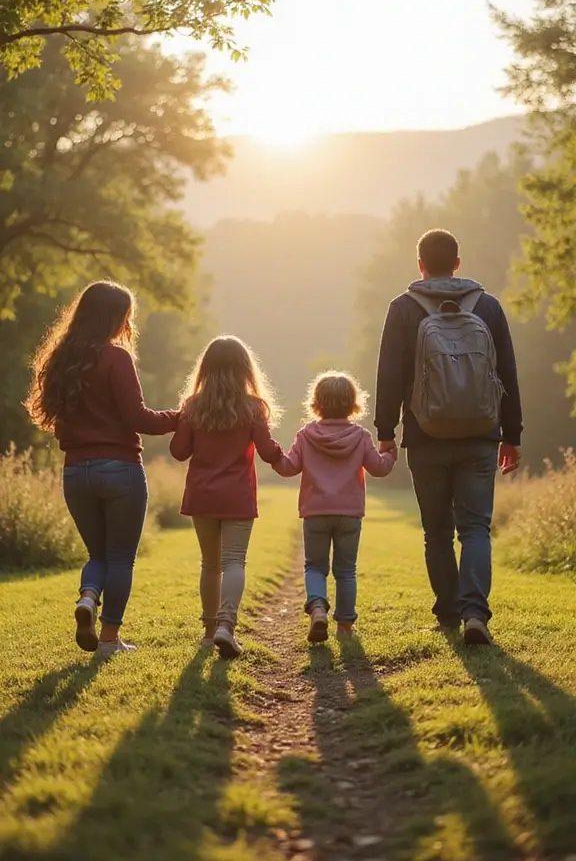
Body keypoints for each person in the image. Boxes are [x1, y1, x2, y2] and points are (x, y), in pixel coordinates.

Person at [375, 229, 522, 646]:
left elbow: (389, 373)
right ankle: (476, 613)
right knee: (475, 528)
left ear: (419, 265)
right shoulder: (488, 307)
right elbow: (507, 373)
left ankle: (448, 612)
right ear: (458, 263)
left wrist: (386, 431)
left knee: (437, 530)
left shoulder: (403, 309)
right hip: (480, 434)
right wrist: (512, 434)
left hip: (425, 436)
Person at [27, 281, 179, 658]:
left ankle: (88, 597)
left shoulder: (62, 359)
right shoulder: (116, 358)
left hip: (76, 472)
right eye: (126, 316)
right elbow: (137, 417)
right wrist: (180, 416)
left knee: (97, 554)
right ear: (114, 317)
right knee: (121, 557)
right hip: (120, 470)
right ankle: (109, 641)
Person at [169, 335, 283, 660]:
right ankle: (226, 626)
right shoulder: (253, 408)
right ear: (245, 370)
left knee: (210, 563)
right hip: (237, 495)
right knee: (235, 560)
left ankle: (208, 634)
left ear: (205, 369)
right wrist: (285, 456)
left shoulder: (193, 407)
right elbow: (267, 451)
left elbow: (178, 452)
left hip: (202, 495)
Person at [273, 371, 396, 643]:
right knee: (346, 569)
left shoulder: (306, 435)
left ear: (316, 403)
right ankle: (345, 626)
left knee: (315, 566)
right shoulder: (361, 436)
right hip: (349, 513)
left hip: (315, 511)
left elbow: (288, 467)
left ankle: (317, 606)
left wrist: (273, 454)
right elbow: (378, 468)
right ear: (353, 403)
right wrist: (391, 454)